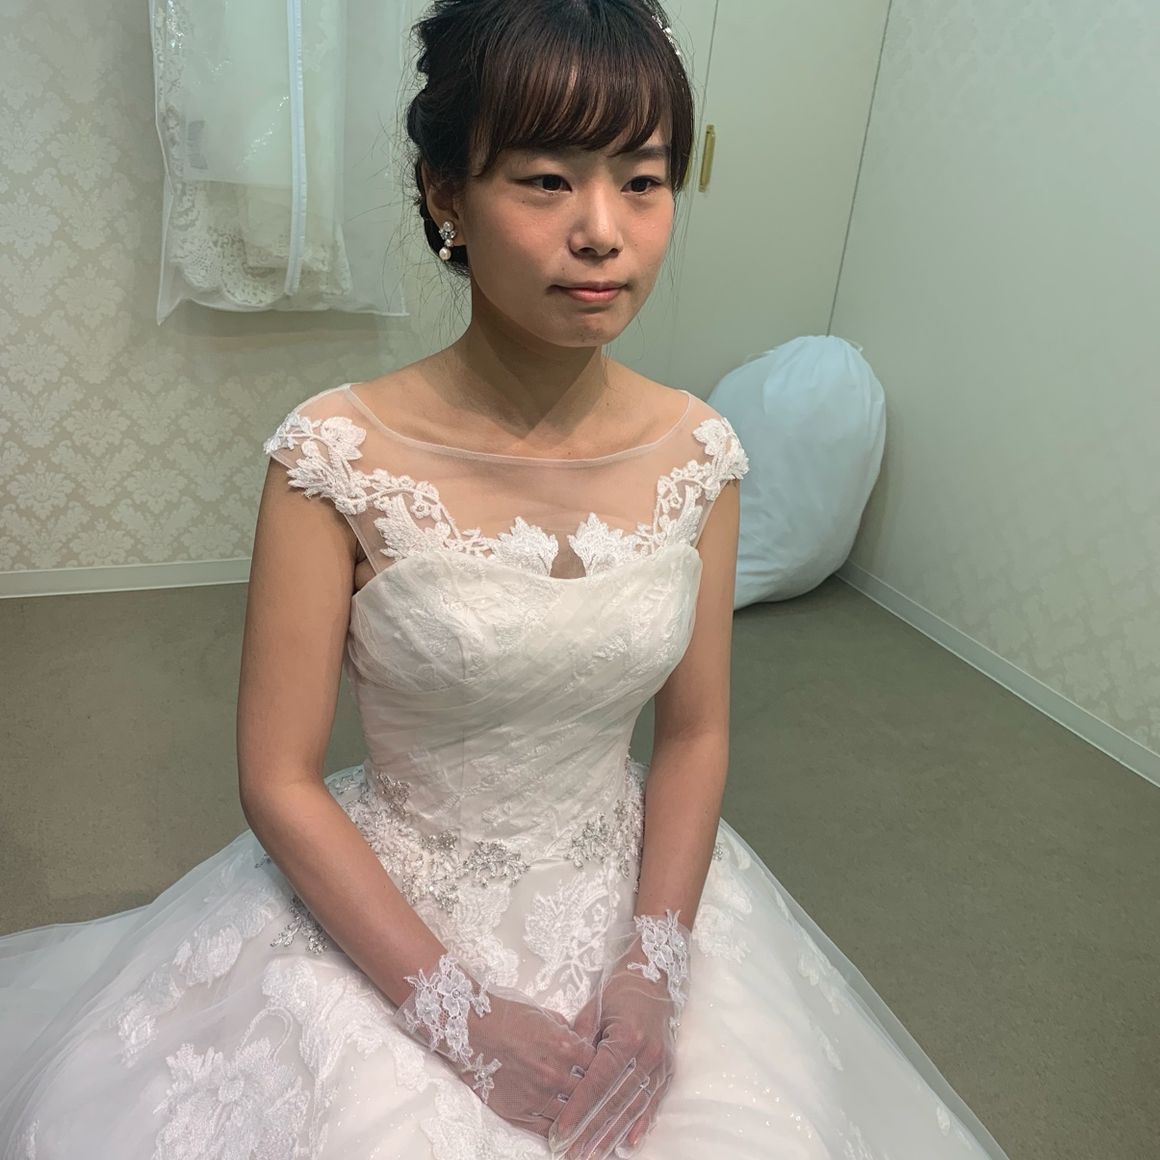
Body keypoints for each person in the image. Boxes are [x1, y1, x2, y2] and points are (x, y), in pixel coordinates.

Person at [0, 2, 1012, 1157]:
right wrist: (455, 1010)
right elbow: (278, 777)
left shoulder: (700, 452)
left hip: (630, 889)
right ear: (446, 195)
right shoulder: (333, 454)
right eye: (544, 180)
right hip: (398, 903)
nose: (603, 232)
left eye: (642, 181)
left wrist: (653, 967)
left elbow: (691, 734)